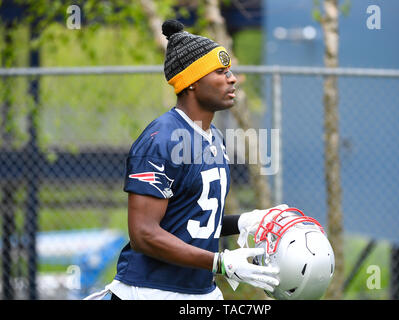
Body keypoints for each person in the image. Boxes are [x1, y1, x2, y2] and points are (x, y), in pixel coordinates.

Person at [85, 19, 283, 300]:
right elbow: (144, 234)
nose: (232, 78)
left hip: (200, 291)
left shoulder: (213, 136)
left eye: (229, 71)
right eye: (220, 71)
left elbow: (192, 220)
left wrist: (244, 221)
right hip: (150, 291)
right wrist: (220, 262)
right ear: (192, 82)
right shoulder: (160, 140)